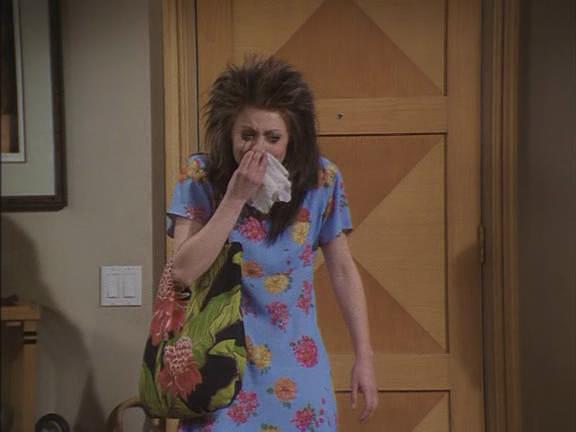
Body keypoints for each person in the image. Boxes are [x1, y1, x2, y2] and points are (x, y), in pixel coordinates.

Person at [166, 56, 377, 431]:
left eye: (273, 138)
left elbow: (343, 271)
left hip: (296, 364)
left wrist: (364, 356)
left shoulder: (322, 180)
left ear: (292, 138)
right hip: (217, 364)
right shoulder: (199, 177)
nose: (258, 148)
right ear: (228, 133)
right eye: (247, 135)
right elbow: (182, 271)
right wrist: (234, 198)